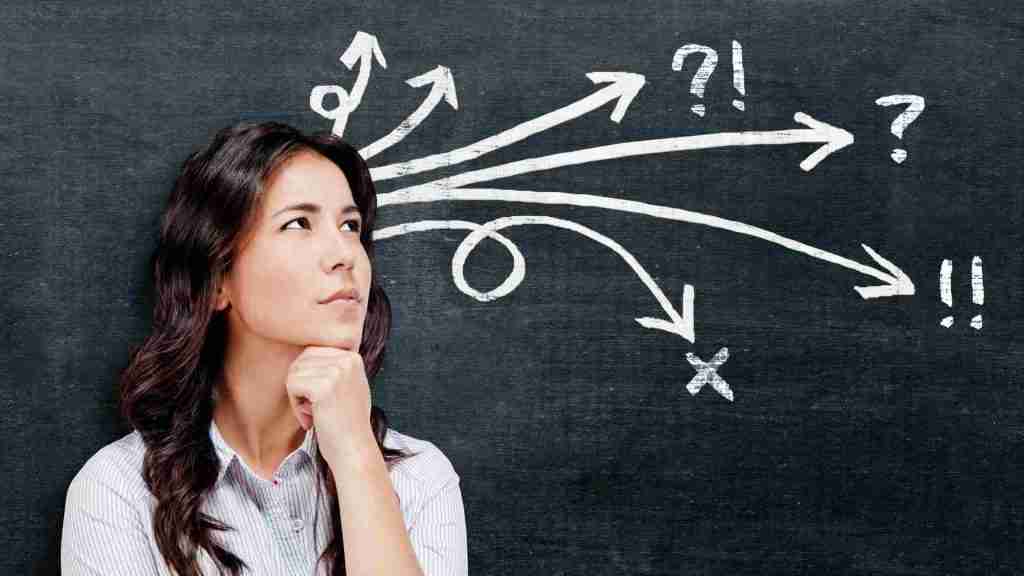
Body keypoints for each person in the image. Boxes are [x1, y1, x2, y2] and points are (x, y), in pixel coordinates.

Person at [60, 121, 468, 576]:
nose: (345, 254)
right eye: (298, 223)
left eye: (351, 225)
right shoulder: (121, 493)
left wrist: (355, 455)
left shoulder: (417, 479)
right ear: (218, 280)